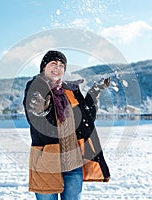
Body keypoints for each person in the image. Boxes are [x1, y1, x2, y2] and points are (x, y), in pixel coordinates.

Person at [23, 50, 110, 200]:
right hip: (47, 160)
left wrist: (95, 92)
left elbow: (86, 117)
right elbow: (36, 113)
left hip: (73, 162)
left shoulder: (70, 91)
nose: (57, 67)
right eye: (53, 63)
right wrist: (40, 106)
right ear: (44, 67)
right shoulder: (36, 87)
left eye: (61, 65)